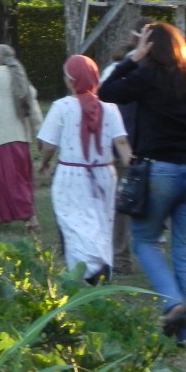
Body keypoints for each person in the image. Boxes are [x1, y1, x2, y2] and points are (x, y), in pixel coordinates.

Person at [100, 22, 186, 349]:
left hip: (158, 170)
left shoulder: (145, 78)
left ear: (149, 47)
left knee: (145, 240)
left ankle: (172, 303)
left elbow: (106, 91)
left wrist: (133, 58)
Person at [37, 55, 132, 284]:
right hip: (104, 172)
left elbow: (48, 144)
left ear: (71, 80)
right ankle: (101, 264)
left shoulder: (62, 107)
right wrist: (132, 166)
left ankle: (87, 269)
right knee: (102, 220)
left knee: (73, 222)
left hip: (72, 173)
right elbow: (121, 142)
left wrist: (43, 162)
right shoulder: (110, 109)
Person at [100, 16, 153, 276]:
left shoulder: (118, 69)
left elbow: (104, 99)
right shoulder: (169, 68)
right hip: (154, 146)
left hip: (125, 145)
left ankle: (121, 257)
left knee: (123, 203)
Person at [0, 44, 44, 232]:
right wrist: (39, 131)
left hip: (2, 135)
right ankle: (5, 214)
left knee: (9, 179)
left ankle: (30, 217)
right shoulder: (19, 74)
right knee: (17, 177)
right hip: (21, 134)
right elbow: (33, 103)